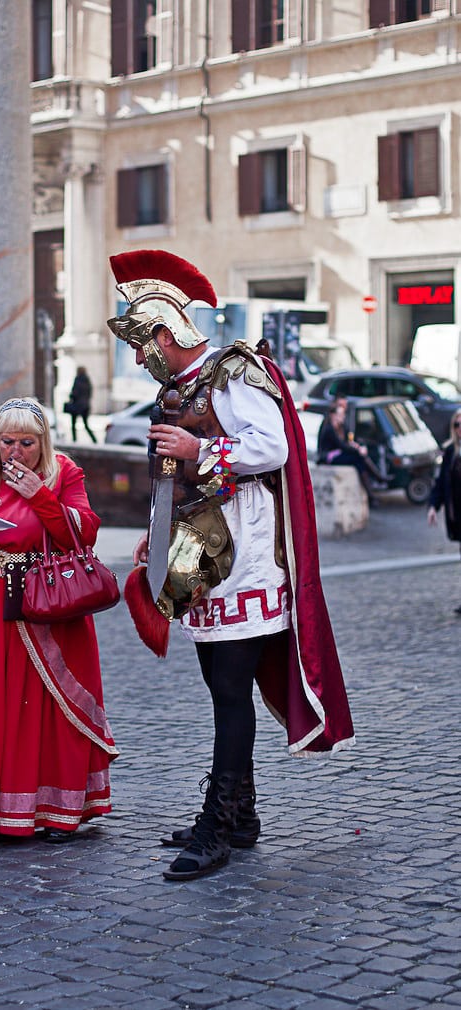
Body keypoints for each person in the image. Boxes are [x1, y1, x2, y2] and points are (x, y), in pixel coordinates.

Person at [107, 249, 354, 882]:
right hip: (200, 560)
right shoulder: (176, 389)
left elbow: (272, 446)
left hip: (246, 561)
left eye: (142, 344)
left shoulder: (234, 375)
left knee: (228, 691)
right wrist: (155, 540)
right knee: (220, 689)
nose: (139, 358)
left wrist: (202, 446)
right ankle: (238, 816)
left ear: (167, 332)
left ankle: (219, 827)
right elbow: (173, 480)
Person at [0, 397, 118, 840]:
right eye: (7, 442)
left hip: (46, 602)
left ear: (44, 442)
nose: (15, 453)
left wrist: (41, 495)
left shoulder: (64, 472)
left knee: (51, 704)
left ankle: (57, 809)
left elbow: (84, 532)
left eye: (27, 443)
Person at [316, 399, 384, 506]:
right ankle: (377, 478)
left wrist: (357, 446)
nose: (343, 417)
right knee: (357, 457)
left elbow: (348, 441)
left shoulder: (341, 426)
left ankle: (372, 493)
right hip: (328, 458)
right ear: (333, 415)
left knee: (358, 462)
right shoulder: (329, 428)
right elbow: (341, 446)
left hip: (337, 454)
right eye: (341, 415)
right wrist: (358, 450)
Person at [427, 407, 461, 615]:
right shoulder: (450, 452)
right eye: (457, 425)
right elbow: (440, 484)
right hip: (457, 514)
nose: (460, 429)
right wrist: (433, 506)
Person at [67, 366, 97, 443]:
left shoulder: (77, 380)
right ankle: (94, 439)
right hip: (85, 406)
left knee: (73, 424)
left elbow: (75, 393)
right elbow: (90, 393)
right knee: (86, 425)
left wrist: (71, 396)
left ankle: (74, 440)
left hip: (76, 406)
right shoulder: (87, 380)